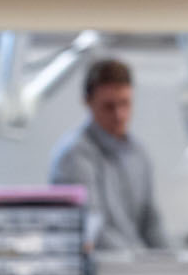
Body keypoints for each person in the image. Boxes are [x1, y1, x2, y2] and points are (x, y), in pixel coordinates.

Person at [48, 56, 167, 252]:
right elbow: (93, 229)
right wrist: (140, 264)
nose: (119, 115)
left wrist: (172, 263)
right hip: (101, 273)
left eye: (125, 104)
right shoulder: (74, 156)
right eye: (109, 106)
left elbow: (151, 220)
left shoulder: (139, 154)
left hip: (136, 269)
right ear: (87, 102)